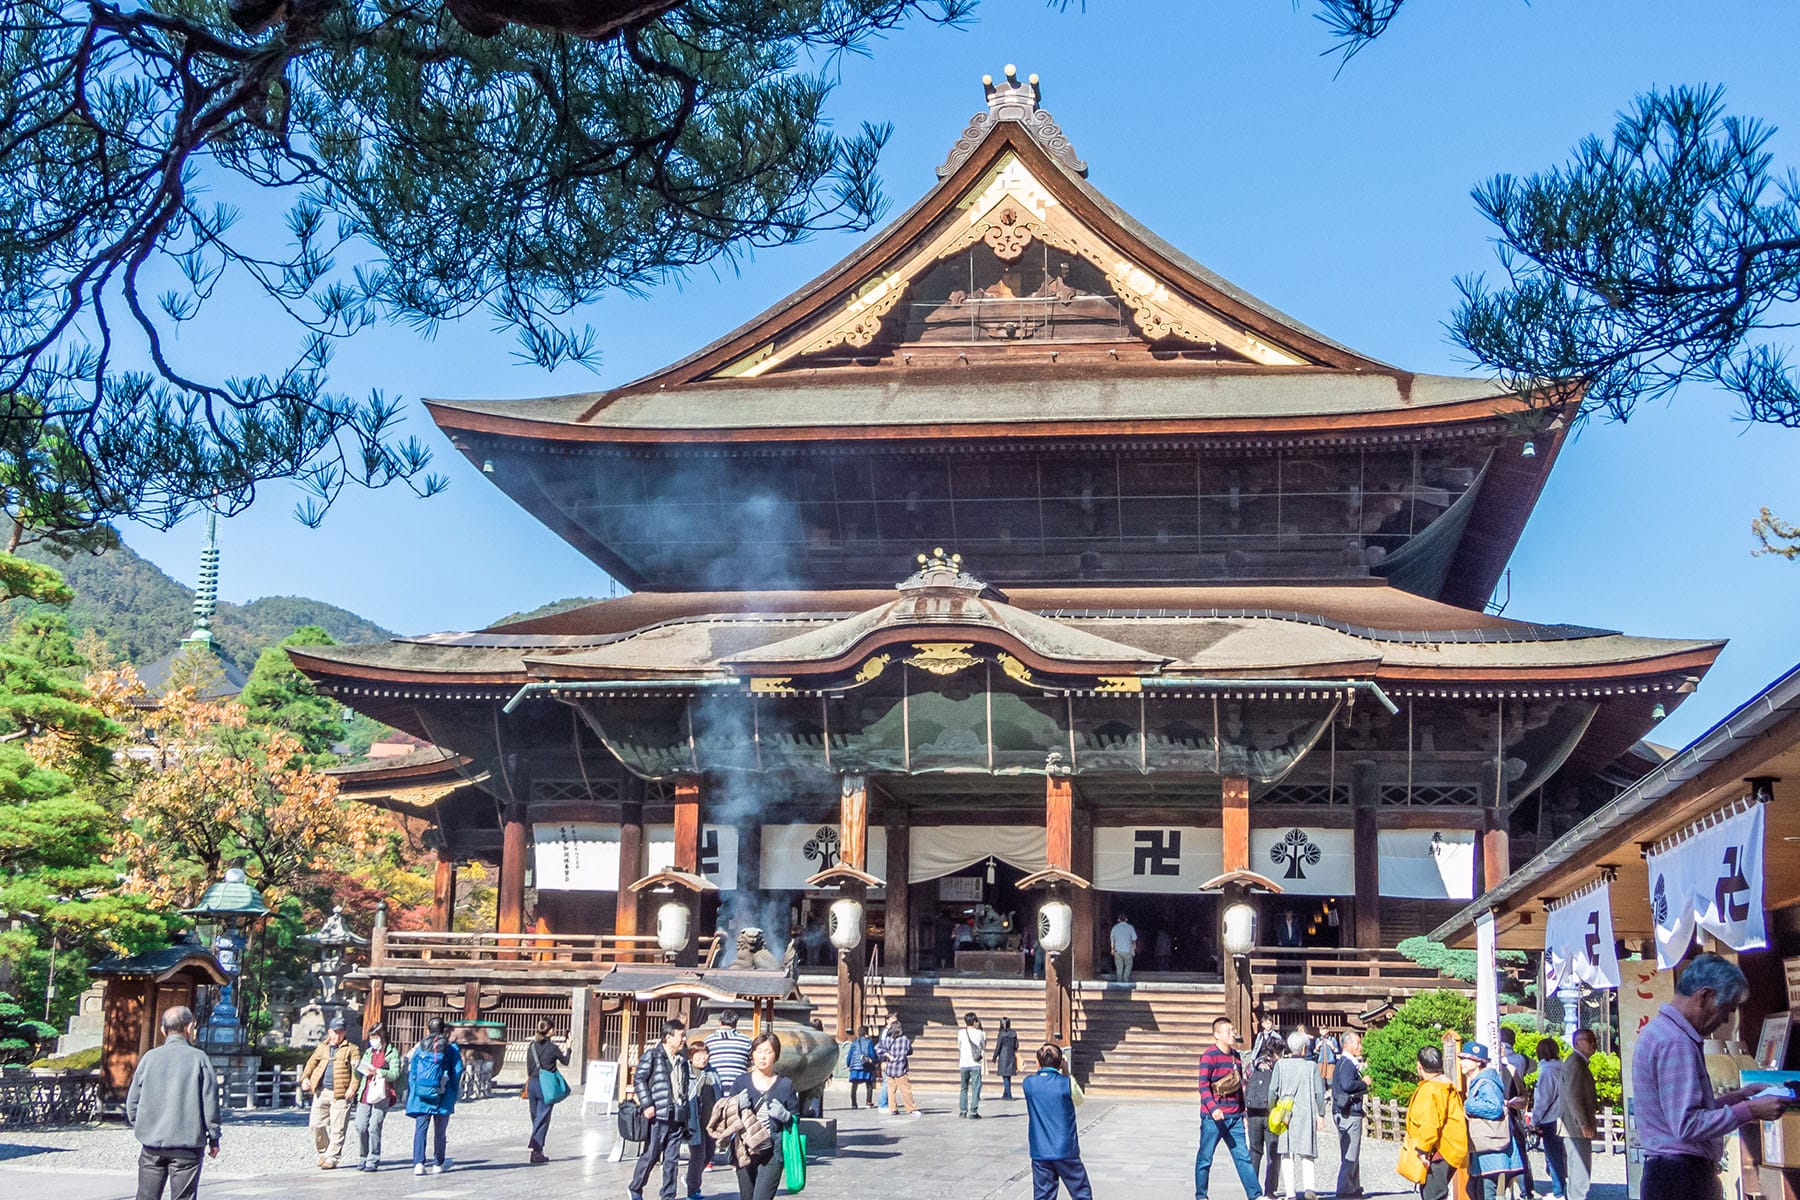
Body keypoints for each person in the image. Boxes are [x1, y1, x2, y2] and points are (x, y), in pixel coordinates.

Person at [1636, 954, 1786, 1200]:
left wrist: (1737, 1098)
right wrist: (1750, 1110)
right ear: (1704, 996)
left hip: (1669, 1174)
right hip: (1682, 1178)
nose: (1725, 1019)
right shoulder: (1676, 1042)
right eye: (1725, 1008)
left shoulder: (1660, 1032)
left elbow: (1679, 1115)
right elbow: (1687, 1125)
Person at [126, 1005, 221, 1200]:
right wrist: (214, 1137)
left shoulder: (149, 1058)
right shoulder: (199, 1059)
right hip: (186, 1144)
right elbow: (210, 1102)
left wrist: (144, 1125)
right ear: (189, 1027)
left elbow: (132, 1102)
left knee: (146, 1197)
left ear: (163, 1030)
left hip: (152, 1143)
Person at [1195, 1017, 1264, 1200]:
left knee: (1243, 1158)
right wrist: (1213, 1108)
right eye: (1228, 1031)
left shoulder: (1236, 1057)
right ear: (1217, 1035)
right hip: (1214, 1119)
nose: (1233, 1033)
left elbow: (1239, 1088)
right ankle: (1201, 1196)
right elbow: (1203, 1086)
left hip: (1234, 1117)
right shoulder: (1209, 1056)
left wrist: (1244, 1114)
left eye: (1233, 1030)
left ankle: (1255, 1195)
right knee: (1205, 1158)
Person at [722, 1033, 796, 1200]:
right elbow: (727, 1116)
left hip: (772, 1151)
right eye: (758, 1051)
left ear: (776, 1055)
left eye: (768, 1052)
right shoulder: (741, 1082)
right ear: (752, 1054)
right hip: (744, 1150)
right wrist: (736, 1105)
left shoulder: (785, 1085)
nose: (763, 1056)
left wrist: (786, 1116)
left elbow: (795, 1118)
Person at [631, 1018, 694, 1200]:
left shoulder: (681, 1060)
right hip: (658, 1113)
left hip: (677, 1114)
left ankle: (668, 1195)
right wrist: (647, 1104)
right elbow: (639, 1079)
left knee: (672, 1160)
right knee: (651, 1154)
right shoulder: (653, 1055)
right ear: (668, 1037)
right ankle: (635, 1188)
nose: (684, 1039)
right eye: (681, 1036)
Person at [1024, 1043, 1094, 1200]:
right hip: (1065, 1148)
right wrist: (1066, 1072)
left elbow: (1040, 1078)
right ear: (1062, 1061)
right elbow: (1079, 1100)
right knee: (1080, 1192)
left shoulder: (1028, 1084)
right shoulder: (1066, 1083)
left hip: (1040, 1149)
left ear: (1037, 1062)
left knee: (1043, 1194)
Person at [1403, 1046, 1469, 1200]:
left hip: (1439, 1149)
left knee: (1433, 1194)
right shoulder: (1445, 1084)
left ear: (1419, 1066)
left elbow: (1430, 1123)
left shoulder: (1431, 1089)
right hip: (1451, 1146)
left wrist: (1423, 1150)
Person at [1462, 1041, 1525, 1200]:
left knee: (1487, 1193)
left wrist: (1468, 1104)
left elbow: (1494, 1108)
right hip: (1486, 1148)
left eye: (1466, 1058)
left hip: (1492, 1150)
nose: (1461, 1062)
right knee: (1475, 1190)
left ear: (1477, 1062)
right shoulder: (1480, 1082)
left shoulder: (1486, 1083)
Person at [1271, 1028, 1328, 1200]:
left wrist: (1273, 1108)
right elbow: (1319, 1092)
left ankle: (1290, 1193)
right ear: (1304, 1049)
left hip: (1285, 1113)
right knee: (1307, 1151)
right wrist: (1321, 1114)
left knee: (1287, 1154)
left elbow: (1273, 1089)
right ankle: (1309, 1187)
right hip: (1305, 1112)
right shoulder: (1311, 1067)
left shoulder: (1280, 1065)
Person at [405, 1017, 463, 1176]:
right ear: (444, 1030)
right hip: (442, 1095)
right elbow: (457, 1070)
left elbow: (413, 1072)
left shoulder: (420, 1048)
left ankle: (418, 1163)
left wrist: (415, 1090)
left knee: (421, 1129)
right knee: (440, 1131)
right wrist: (451, 1088)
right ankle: (438, 1162)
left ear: (428, 1029)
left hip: (422, 1095)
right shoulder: (451, 1049)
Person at [302, 1016, 360, 1169]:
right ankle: (324, 1151)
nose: (337, 1035)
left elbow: (357, 1070)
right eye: (335, 1032)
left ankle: (333, 1157)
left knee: (338, 1127)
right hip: (322, 1091)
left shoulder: (352, 1049)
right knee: (316, 1124)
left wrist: (353, 1087)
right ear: (329, 1031)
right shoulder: (322, 1047)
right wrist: (305, 1078)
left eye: (341, 1032)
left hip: (341, 1093)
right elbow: (311, 1063)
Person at [1243, 1019, 1284, 1200]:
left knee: (1254, 1150)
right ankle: (1270, 1190)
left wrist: (1244, 1111)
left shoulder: (1251, 1067)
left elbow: (1244, 1086)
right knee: (1272, 1152)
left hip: (1252, 1112)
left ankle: (1252, 1190)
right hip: (1271, 1113)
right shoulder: (1277, 1067)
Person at [351, 1023, 401, 1172]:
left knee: (374, 1125)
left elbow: (395, 1074)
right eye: (371, 1037)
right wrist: (356, 1068)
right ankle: (363, 1155)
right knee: (360, 1125)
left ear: (382, 1037)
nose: (373, 1040)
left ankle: (373, 1158)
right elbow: (359, 1075)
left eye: (376, 1037)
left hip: (381, 1093)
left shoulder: (391, 1053)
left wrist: (379, 1071)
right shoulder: (368, 1053)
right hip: (366, 1091)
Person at [1557, 1029, 1598, 1200]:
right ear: (1576, 1043)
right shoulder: (1575, 1063)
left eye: (1593, 1039)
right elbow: (1574, 1097)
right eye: (1588, 1039)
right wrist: (1583, 1124)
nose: (1593, 1043)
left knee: (1577, 1171)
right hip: (1575, 1127)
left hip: (1575, 1127)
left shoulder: (1579, 1062)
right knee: (1580, 1172)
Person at [524, 1018, 570, 1164]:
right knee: (542, 1118)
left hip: (533, 1083)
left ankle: (537, 1151)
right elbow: (566, 1061)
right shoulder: (553, 1048)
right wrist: (569, 1047)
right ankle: (536, 1149)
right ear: (550, 1030)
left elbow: (529, 1067)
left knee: (536, 1117)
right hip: (546, 1086)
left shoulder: (531, 1046)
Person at [1331, 1030, 1368, 1198]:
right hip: (1349, 1113)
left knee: (1350, 1150)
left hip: (1342, 1112)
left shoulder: (1344, 1062)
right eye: (1357, 1044)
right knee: (1350, 1153)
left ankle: (1354, 1185)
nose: (1360, 1047)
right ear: (1347, 1045)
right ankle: (1345, 1189)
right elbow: (1347, 1084)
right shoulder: (1347, 1063)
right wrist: (1363, 1083)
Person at [1530, 1038, 1568, 1200]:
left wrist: (1534, 1120)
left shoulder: (1546, 1072)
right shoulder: (1564, 1068)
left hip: (1550, 1118)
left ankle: (1558, 1192)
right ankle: (1564, 1188)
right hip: (1565, 1116)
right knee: (1562, 1155)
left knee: (1553, 1156)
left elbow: (1542, 1100)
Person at [686, 1041, 720, 1200]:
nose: (703, 1058)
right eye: (699, 1055)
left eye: (705, 1054)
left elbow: (718, 1094)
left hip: (711, 1122)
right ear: (691, 1057)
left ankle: (691, 1179)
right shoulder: (686, 1072)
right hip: (695, 1122)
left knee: (709, 1154)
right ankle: (693, 1190)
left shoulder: (713, 1072)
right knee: (698, 1156)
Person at [876, 1018, 921, 1118]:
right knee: (905, 1089)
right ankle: (911, 1109)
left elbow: (877, 1048)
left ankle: (893, 1109)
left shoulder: (887, 1039)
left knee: (891, 1090)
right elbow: (910, 1051)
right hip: (901, 1067)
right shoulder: (905, 1039)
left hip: (890, 1068)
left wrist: (887, 1055)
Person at [706, 1010, 753, 1096]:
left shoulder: (708, 1040)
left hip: (714, 1089)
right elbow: (752, 1064)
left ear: (719, 1023)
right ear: (735, 1024)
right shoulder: (746, 1040)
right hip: (738, 1090)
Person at [957, 1011, 987, 1118]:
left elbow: (959, 1046)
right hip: (975, 1063)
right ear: (975, 1021)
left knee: (963, 1087)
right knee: (976, 1088)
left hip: (964, 1063)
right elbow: (983, 1046)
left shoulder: (961, 1033)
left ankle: (963, 1110)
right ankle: (973, 1111)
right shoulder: (981, 1033)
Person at [845, 1025, 879, 1109]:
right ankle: (868, 1101)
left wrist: (848, 1064)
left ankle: (853, 1103)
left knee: (854, 1085)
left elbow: (850, 1055)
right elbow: (871, 1053)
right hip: (865, 1065)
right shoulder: (869, 1042)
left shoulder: (854, 1042)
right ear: (866, 1033)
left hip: (855, 1066)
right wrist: (875, 1061)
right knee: (869, 1084)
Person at [995, 1017, 1020, 1101]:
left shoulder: (1001, 1033)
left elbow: (998, 1046)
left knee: (1005, 1076)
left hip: (1003, 1055)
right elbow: (1016, 1046)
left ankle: (1008, 1094)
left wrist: (995, 1056)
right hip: (1011, 1055)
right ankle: (1005, 1093)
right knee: (1008, 1076)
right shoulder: (1013, 1033)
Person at [1110, 914, 1138, 983]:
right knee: (1128, 965)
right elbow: (1134, 939)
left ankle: (1119, 982)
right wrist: (1134, 948)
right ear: (1126, 919)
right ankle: (1126, 977)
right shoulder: (1130, 927)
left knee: (1119, 968)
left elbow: (1112, 940)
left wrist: (1112, 949)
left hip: (1118, 951)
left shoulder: (1114, 928)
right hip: (1127, 950)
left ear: (1118, 920)